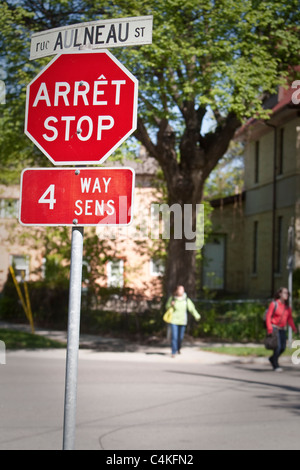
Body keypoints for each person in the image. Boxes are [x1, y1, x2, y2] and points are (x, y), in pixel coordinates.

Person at [266, 287, 297, 372]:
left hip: (283, 329)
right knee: (278, 347)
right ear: (280, 294)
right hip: (274, 328)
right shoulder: (274, 304)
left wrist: (294, 328)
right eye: (284, 293)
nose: (286, 294)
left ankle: (272, 358)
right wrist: (269, 328)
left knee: (283, 347)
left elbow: (289, 319)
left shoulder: (287, 307)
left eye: (287, 293)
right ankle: (275, 364)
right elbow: (268, 316)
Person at [165, 285, 200, 357]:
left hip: (182, 321)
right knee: (174, 337)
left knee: (180, 337)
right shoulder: (173, 299)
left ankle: (178, 348)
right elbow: (167, 306)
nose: (181, 291)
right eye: (180, 289)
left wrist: (197, 315)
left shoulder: (186, 300)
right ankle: (173, 352)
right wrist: (171, 305)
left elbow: (192, 308)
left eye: (182, 289)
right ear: (177, 291)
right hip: (174, 320)